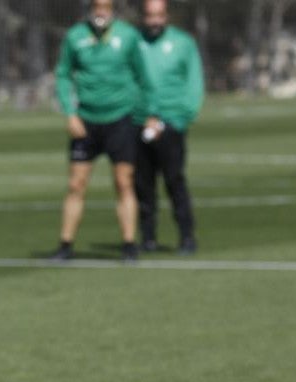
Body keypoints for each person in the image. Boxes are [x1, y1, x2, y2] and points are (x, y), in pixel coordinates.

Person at [51, 0, 162, 262]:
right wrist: (69, 112)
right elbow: (63, 73)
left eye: (106, 6)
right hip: (85, 120)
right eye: (97, 6)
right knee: (76, 184)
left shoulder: (128, 36)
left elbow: (144, 76)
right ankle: (65, 244)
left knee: (124, 182)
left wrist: (151, 113)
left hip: (120, 119)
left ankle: (129, 244)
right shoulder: (75, 36)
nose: (101, 11)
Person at [134, 0, 204, 254]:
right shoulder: (134, 42)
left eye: (159, 15)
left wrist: (180, 119)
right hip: (139, 123)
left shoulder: (183, 43)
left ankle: (187, 236)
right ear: (143, 16)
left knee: (174, 181)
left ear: (167, 16)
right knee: (142, 184)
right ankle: (148, 237)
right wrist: (141, 116)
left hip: (172, 124)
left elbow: (194, 84)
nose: (155, 21)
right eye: (150, 15)